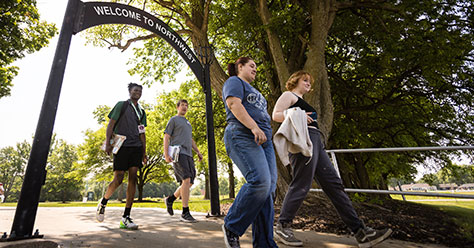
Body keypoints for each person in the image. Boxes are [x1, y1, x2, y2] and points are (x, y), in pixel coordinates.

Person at [272, 71, 392, 248]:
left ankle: (360, 232)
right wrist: (296, 115)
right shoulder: (288, 95)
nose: (308, 83)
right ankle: (283, 225)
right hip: (303, 141)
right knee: (302, 183)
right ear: (295, 80)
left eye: (309, 81)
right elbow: (276, 114)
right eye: (304, 80)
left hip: (316, 142)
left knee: (334, 185)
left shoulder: (304, 101)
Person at [221, 57, 278, 248]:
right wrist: (254, 127)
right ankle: (232, 226)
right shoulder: (234, 82)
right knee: (260, 181)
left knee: (267, 190)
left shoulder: (257, 91)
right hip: (243, 134)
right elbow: (234, 105)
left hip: (264, 141)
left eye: (256, 66)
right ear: (240, 67)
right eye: (251, 66)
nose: (255, 69)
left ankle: (264, 244)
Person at [96, 83, 147, 230]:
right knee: (118, 179)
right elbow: (111, 124)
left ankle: (126, 217)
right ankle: (103, 202)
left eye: (139, 91)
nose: (137, 92)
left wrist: (144, 152)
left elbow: (142, 133)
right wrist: (107, 143)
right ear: (130, 92)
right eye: (135, 90)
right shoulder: (122, 105)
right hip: (122, 145)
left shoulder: (141, 112)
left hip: (136, 147)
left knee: (133, 178)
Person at [163, 99, 203, 223]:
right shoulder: (173, 120)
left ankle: (170, 199)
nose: (184, 107)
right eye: (182, 105)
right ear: (177, 107)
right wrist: (166, 154)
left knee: (190, 182)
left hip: (189, 154)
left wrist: (198, 151)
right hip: (178, 153)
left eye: (186, 105)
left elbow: (190, 139)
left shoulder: (187, 123)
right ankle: (185, 212)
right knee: (185, 180)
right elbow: (166, 136)